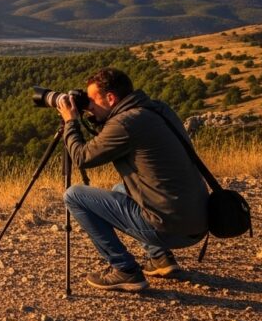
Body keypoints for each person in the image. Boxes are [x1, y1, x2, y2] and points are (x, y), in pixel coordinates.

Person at [57, 67, 208, 292]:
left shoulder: (125, 124)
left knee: (74, 195)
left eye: (92, 100)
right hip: (199, 222)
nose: (89, 105)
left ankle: (124, 269)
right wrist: (95, 116)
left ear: (111, 98)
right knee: (121, 187)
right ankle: (160, 258)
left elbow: (81, 156)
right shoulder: (157, 109)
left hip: (170, 228)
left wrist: (71, 122)